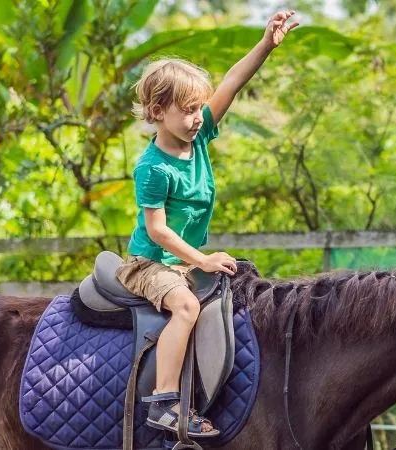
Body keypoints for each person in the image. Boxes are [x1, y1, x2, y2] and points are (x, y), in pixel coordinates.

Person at [116, 10, 299, 437]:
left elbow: (233, 81)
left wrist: (266, 44)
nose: (199, 116)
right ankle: (163, 403)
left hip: (185, 262)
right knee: (185, 306)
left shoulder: (198, 139)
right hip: (151, 264)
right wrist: (204, 258)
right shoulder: (152, 168)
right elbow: (159, 232)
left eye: (200, 108)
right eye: (189, 110)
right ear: (158, 112)